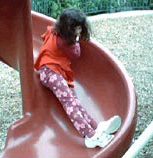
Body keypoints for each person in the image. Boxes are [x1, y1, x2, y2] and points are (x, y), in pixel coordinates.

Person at [34, 8, 121, 148]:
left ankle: (95, 126)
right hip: (51, 73)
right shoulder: (66, 43)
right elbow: (76, 54)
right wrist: (75, 41)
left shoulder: (53, 31)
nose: (80, 31)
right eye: (78, 28)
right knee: (70, 104)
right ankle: (90, 136)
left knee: (74, 101)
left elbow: (45, 38)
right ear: (70, 29)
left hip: (50, 71)